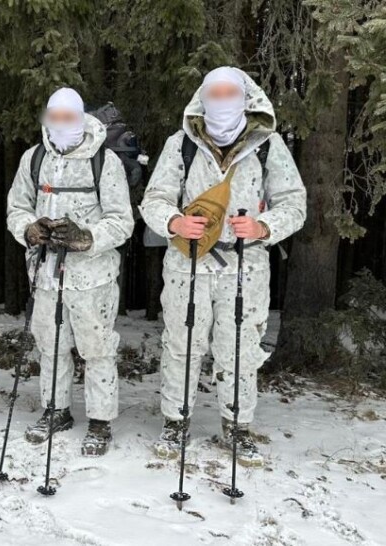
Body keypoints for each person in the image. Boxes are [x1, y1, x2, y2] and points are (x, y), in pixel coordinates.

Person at [140, 67, 306, 466]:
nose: (222, 99)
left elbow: (295, 203)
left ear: (246, 97)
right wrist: (174, 222)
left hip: (244, 265)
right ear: (203, 97)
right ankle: (176, 422)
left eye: (231, 92)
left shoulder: (267, 146)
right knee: (181, 346)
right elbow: (153, 199)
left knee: (240, 350)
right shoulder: (181, 144)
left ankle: (236, 427)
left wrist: (263, 226)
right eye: (215, 92)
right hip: (187, 264)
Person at [6, 87, 135, 456]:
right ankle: (55, 409)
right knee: (51, 346)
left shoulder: (103, 162)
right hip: (45, 274)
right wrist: (30, 229)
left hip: (91, 278)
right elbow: (16, 207)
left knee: (96, 350)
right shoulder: (34, 159)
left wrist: (87, 237)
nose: (61, 124)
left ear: (81, 119)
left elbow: (122, 221)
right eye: (55, 117)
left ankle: (99, 420)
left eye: (68, 118)